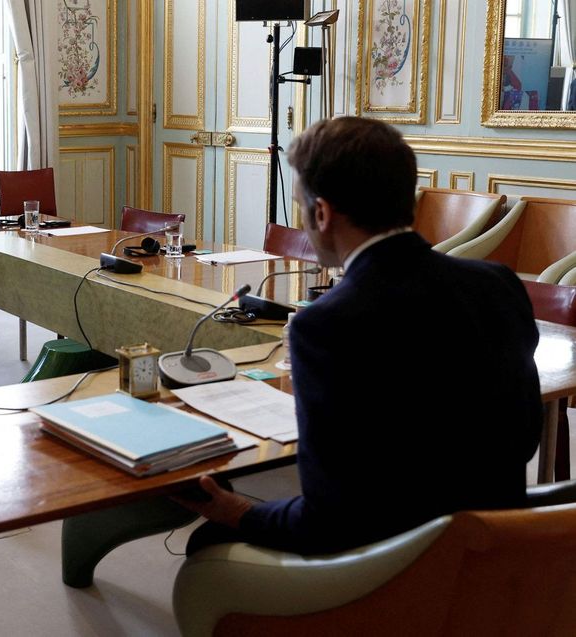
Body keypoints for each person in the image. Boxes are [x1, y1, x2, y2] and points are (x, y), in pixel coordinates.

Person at [181, 116, 543, 556]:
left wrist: (237, 511)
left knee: (209, 542)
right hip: (499, 548)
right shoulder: (497, 283)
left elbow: (330, 520)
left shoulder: (327, 324)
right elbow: (524, 439)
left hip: (389, 568)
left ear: (321, 213)